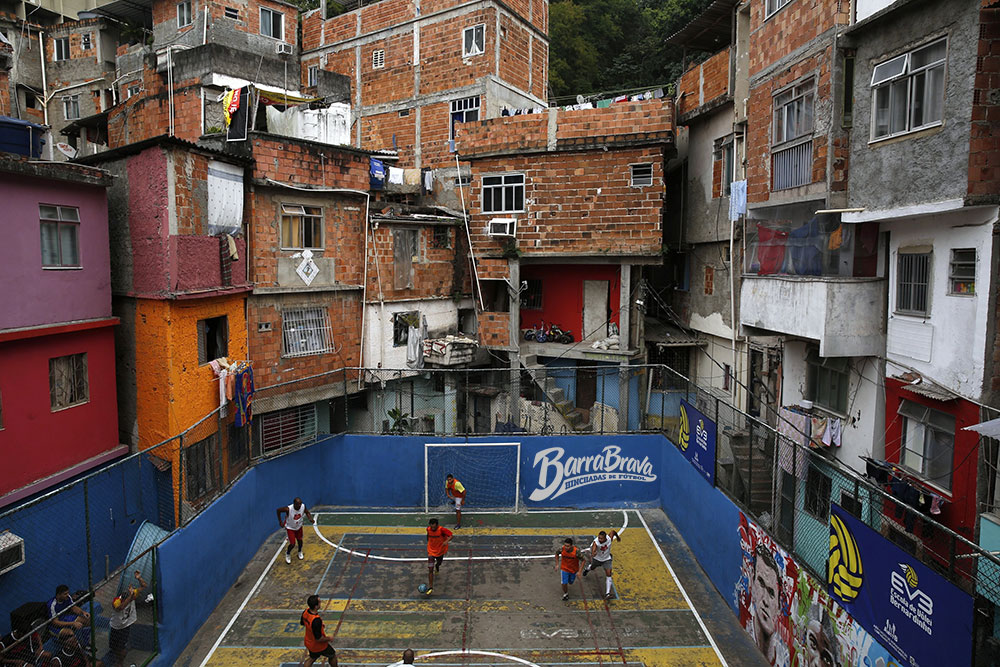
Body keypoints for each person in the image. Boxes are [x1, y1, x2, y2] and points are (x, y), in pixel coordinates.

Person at [747, 544, 787, 667]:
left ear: (779, 604)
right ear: (752, 581)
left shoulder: (784, 659)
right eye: (761, 583)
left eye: (771, 593)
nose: (764, 600)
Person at [108, 570, 147, 667]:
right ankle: (118, 658)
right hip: (116, 626)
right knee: (113, 646)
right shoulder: (117, 601)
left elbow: (143, 586)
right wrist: (131, 596)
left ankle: (120, 662)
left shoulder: (132, 596)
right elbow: (119, 608)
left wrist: (139, 578)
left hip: (125, 626)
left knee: (121, 647)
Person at [582, 529, 620, 600]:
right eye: (599, 537)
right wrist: (593, 553)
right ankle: (587, 569)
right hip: (597, 559)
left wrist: (617, 537)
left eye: (601, 538)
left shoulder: (609, 539)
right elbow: (593, 549)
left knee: (609, 574)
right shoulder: (596, 543)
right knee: (592, 567)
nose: (599, 539)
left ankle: (607, 594)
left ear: (605, 538)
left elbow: (612, 532)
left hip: (607, 559)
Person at [300, 595, 336, 667]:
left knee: (312, 658)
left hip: (309, 642)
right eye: (319, 602)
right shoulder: (316, 620)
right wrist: (329, 638)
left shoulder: (306, 612)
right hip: (318, 646)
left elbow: (303, 623)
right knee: (332, 655)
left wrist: (317, 627)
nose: (321, 603)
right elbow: (319, 639)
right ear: (316, 606)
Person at [277, 498, 315, 564]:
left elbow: (307, 512)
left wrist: (310, 518)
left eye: (300, 504)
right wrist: (280, 521)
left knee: (300, 541)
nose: (299, 506)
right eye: (298, 504)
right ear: (294, 504)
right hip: (290, 528)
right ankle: (288, 553)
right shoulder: (288, 509)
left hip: (299, 526)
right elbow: (278, 510)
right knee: (292, 544)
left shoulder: (303, 506)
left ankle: (300, 551)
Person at [425, 518, 453, 596]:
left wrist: (446, 541)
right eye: (431, 526)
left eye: (434, 527)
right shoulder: (428, 529)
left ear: (437, 525)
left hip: (440, 551)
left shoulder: (442, 530)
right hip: (431, 551)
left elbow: (451, 535)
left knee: (439, 563)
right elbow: (428, 536)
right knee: (430, 569)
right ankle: (431, 587)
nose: (432, 528)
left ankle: (437, 566)